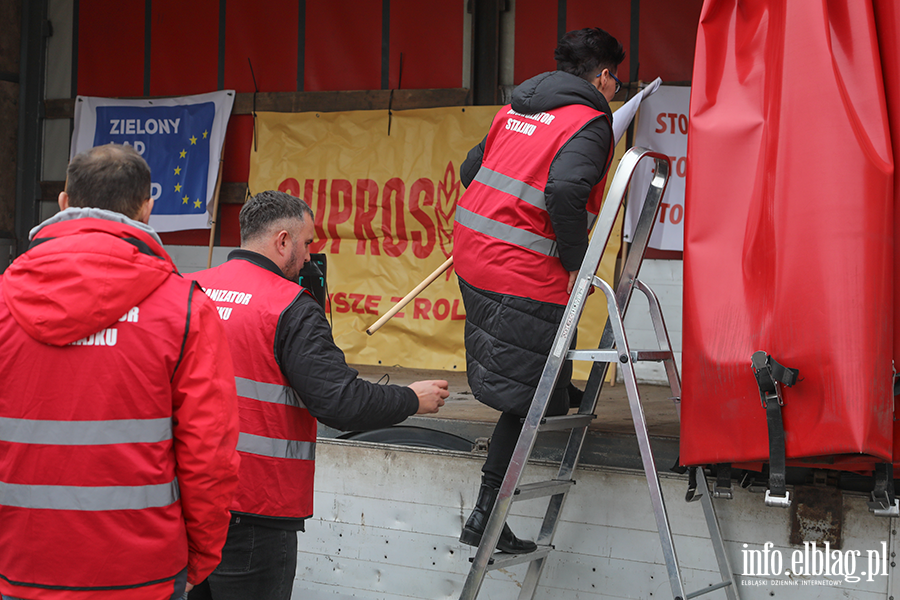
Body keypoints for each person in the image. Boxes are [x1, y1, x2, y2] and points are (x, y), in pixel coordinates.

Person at [0, 144, 241, 600]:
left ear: (65, 203)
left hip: (19, 564)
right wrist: (201, 556)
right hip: (142, 572)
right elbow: (210, 454)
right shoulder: (185, 309)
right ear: (147, 209)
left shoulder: (4, 300)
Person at [189, 190, 449, 600]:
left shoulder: (188, 289)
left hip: (185, 504)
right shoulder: (289, 305)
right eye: (307, 243)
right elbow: (339, 402)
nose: (310, 257)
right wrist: (411, 399)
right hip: (255, 511)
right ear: (282, 241)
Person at [453, 27, 626, 554]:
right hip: (521, 269)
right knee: (523, 397)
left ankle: (558, 393)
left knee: (535, 366)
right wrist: (575, 261)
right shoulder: (592, 122)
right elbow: (567, 190)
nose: (616, 86)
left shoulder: (516, 108)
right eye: (615, 77)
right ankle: (486, 515)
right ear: (601, 76)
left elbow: (470, 169)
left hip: (476, 252)